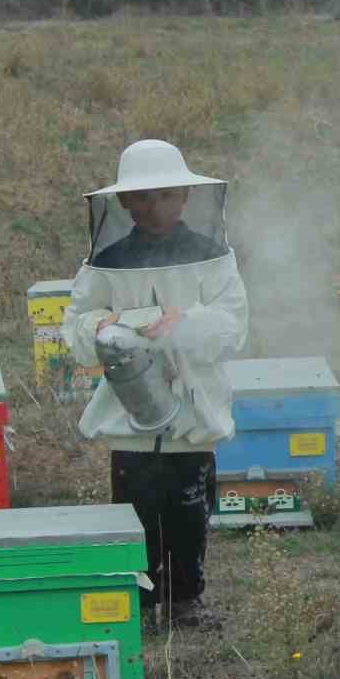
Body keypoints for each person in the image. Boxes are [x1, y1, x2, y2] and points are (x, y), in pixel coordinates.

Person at [62, 139, 249, 627]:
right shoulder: (106, 261)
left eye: (165, 195)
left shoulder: (212, 256)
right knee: (135, 515)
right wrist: (104, 327)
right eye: (142, 197)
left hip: (193, 413)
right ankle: (140, 605)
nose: (154, 207)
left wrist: (184, 321)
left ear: (184, 197)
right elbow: (76, 324)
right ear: (124, 201)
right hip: (129, 418)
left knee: (190, 512)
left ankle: (186, 600)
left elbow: (233, 325)